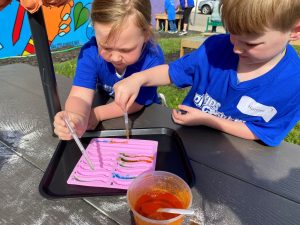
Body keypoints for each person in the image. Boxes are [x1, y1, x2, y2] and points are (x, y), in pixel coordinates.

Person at [113, 0, 300, 147]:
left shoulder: (293, 84)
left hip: (236, 158)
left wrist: (207, 119)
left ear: (294, 31)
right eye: (231, 33)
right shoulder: (216, 48)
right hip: (185, 138)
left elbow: (262, 131)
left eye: (250, 44)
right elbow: (172, 71)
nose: (235, 47)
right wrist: (138, 78)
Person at [53, 0, 164, 140]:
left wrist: (97, 114)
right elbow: (79, 96)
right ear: (94, 30)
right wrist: (76, 118)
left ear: (146, 35)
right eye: (106, 47)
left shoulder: (152, 58)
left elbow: (137, 103)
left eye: (126, 50)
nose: (116, 58)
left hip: (145, 114)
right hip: (107, 100)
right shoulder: (90, 53)